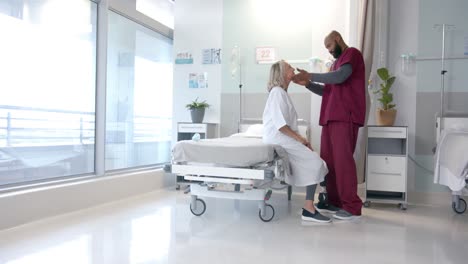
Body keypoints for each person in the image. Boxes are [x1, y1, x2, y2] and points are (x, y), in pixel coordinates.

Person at [292, 30, 365, 220]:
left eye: (330, 46)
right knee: (329, 162)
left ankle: (351, 207)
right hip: (330, 118)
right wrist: (307, 84)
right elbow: (328, 92)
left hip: (345, 116)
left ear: (338, 39)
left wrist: (311, 75)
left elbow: (340, 77)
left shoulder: (352, 55)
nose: (330, 51)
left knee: (343, 162)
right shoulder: (334, 65)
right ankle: (334, 201)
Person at [263, 60, 330, 223]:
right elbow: (281, 126)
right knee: (315, 162)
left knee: (318, 162)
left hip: (284, 137)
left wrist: (302, 141)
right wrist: (300, 139)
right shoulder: (277, 92)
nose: (293, 68)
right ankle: (309, 208)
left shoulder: (282, 93)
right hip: (279, 138)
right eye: (289, 67)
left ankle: (323, 199)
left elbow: (287, 125)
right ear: (281, 74)